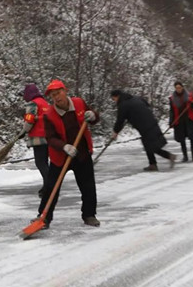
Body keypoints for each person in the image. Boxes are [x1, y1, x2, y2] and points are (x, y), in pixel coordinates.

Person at [33, 79, 101, 229]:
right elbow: (50, 138)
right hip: (61, 157)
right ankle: (44, 217)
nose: (57, 97)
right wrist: (64, 147)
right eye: (53, 95)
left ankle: (89, 215)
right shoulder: (49, 114)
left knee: (88, 186)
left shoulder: (79, 103)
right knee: (51, 187)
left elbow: (94, 119)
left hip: (82, 153)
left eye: (58, 93)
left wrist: (93, 115)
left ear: (65, 91)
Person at [110, 90, 176, 171]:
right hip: (151, 121)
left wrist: (115, 132)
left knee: (151, 146)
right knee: (148, 144)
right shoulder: (136, 98)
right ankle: (153, 164)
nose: (114, 101)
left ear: (117, 96)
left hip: (144, 126)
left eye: (114, 99)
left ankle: (168, 156)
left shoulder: (123, 105)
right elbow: (146, 104)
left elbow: (120, 120)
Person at [21, 83, 50, 198]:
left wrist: (23, 131)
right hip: (48, 136)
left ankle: (49, 186)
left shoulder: (33, 104)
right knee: (45, 163)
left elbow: (29, 120)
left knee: (40, 163)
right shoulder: (45, 103)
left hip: (38, 138)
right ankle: (46, 186)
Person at [169, 81, 193, 162]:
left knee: (192, 138)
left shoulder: (189, 96)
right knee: (182, 139)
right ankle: (185, 156)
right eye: (176, 88)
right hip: (179, 120)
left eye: (179, 87)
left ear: (182, 87)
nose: (178, 89)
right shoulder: (172, 98)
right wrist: (171, 121)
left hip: (189, 119)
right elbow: (171, 111)